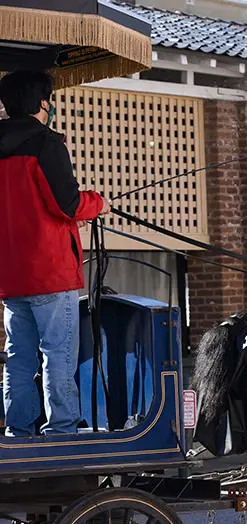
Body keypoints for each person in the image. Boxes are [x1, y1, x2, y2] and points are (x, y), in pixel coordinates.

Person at [0, 71, 110, 437]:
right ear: (41, 103)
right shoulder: (46, 143)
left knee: (18, 358)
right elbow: (68, 204)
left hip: (10, 276)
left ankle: (18, 431)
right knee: (58, 355)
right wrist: (98, 203)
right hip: (50, 272)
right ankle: (62, 431)